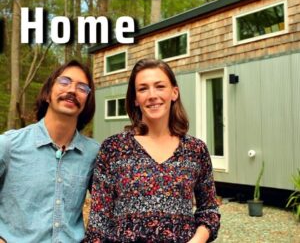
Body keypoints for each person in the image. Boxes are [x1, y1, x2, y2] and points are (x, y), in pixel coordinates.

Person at [85, 58, 220, 243]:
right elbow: (98, 223)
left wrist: (197, 240)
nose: (152, 95)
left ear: (174, 93)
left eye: (159, 86)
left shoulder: (195, 150)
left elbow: (209, 210)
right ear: (135, 99)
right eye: (143, 89)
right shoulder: (113, 148)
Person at [0, 60, 100, 243]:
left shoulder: (94, 154)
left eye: (82, 87)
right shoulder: (8, 145)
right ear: (47, 94)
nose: (71, 90)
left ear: (87, 101)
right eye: (64, 82)